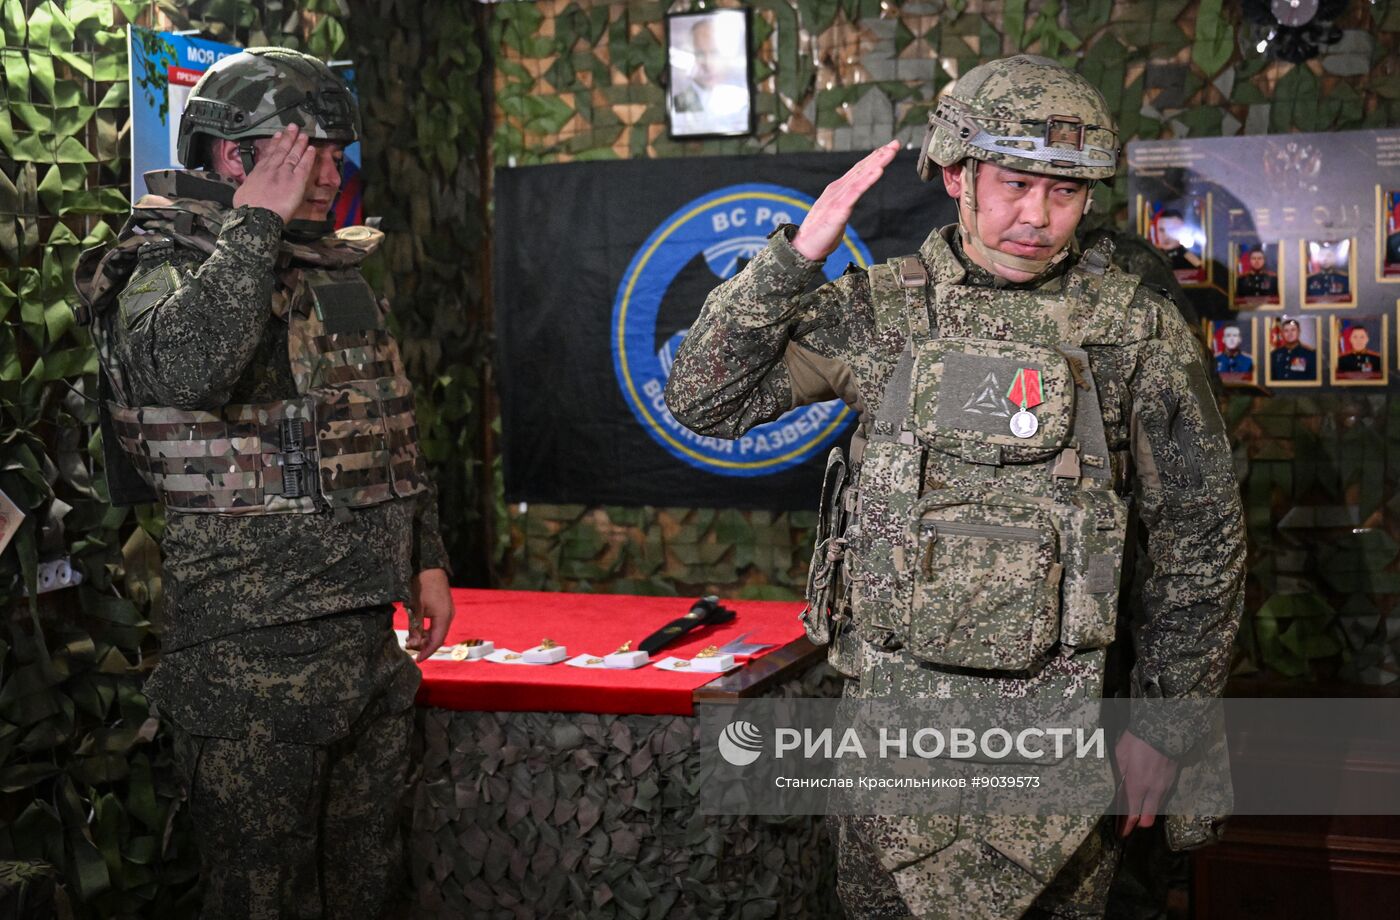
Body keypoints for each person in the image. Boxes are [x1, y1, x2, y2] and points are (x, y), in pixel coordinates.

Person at [665, 55, 1244, 919]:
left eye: (1066, 192)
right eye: (1014, 184)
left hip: (1062, 757)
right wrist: (796, 255)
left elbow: (1200, 542)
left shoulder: (1134, 331)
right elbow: (703, 399)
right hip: (896, 758)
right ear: (955, 174)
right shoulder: (879, 313)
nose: (1036, 218)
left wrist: (1166, 728)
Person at [72, 49, 453, 919]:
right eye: (310, 151)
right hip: (250, 659)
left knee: (369, 891)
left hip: (365, 643)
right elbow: (182, 370)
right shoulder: (159, 260)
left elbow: (380, 420)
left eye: (334, 152)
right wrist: (252, 229)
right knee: (261, 900)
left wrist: (423, 556)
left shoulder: (327, 268)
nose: (332, 172)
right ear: (235, 158)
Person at [669, 16, 750, 134]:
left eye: (715, 53)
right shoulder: (677, 105)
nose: (708, 64)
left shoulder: (746, 100)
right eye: (700, 54)